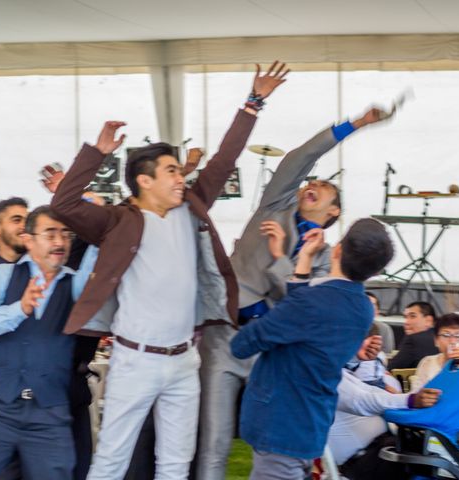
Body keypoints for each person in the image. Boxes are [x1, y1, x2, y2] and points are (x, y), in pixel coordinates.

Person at [51, 62, 290, 479]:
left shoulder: (191, 208)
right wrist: (98, 152)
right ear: (144, 181)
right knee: (110, 461)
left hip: (184, 360)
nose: (183, 177)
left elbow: (224, 159)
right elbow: (64, 205)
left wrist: (254, 102)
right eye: (172, 171)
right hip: (134, 361)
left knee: (176, 465)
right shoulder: (117, 221)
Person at [197, 105, 392, 479]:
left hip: (270, 352)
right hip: (224, 335)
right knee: (215, 440)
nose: (313, 185)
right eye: (312, 183)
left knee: (271, 443)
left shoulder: (326, 260)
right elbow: (301, 157)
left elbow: (300, 305)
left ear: (334, 212)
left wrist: (284, 257)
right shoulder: (275, 205)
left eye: (326, 188)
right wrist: (357, 123)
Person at [231, 218, 394, 480]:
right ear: (375, 272)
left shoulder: (312, 302)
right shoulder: (363, 308)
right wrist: (304, 261)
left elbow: (242, 345)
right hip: (312, 422)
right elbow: (303, 309)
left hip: (280, 423)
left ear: (337, 250)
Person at [0, 206, 88, 479]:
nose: (59, 242)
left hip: (50, 414)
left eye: (65, 234)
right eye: (50, 234)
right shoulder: (2, 276)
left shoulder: (76, 283)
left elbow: (100, 259)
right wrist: (18, 310)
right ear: (29, 240)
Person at [329, 333, 441, 480]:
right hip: (365, 461)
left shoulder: (336, 368)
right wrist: (411, 400)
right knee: (438, 461)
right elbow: (364, 400)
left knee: (436, 454)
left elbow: (371, 390)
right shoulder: (324, 373)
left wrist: (360, 359)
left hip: (381, 449)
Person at [412, 312, 459, 391]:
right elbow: (416, 395)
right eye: (446, 335)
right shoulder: (427, 363)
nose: (452, 341)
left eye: (458, 335)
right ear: (436, 340)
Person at [388, 301, 439, 370]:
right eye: (405, 317)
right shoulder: (443, 337)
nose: (406, 322)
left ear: (428, 320)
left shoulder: (413, 340)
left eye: (412, 316)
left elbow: (392, 368)